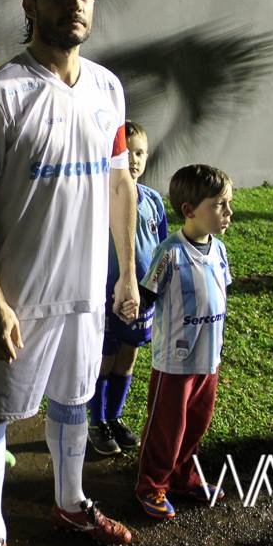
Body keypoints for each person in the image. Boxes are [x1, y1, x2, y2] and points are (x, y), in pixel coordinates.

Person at [0, 0, 138, 546]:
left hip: (86, 293)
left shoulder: (108, 88)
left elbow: (119, 183)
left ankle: (70, 503)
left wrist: (127, 276)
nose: (76, 2)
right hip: (22, 295)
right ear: (30, 5)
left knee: (74, 402)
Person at [134, 164, 233, 520]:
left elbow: (220, 292)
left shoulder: (219, 251)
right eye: (219, 205)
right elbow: (145, 295)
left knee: (196, 423)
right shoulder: (169, 253)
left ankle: (182, 477)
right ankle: (152, 486)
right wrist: (129, 306)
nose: (228, 212)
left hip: (209, 360)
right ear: (190, 210)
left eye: (228, 204)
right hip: (175, 363)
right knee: (167, 427)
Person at [87, 121, 167, 456]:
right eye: (126, 151)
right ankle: (97, 421)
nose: (133, 159)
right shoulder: (101, 200)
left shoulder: (152, 201)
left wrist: (156, 288)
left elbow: (163, 250)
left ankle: (116, 417)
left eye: (139, 152)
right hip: (107, 295)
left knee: (128, 357)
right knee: (104, 358)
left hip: (142, 298)